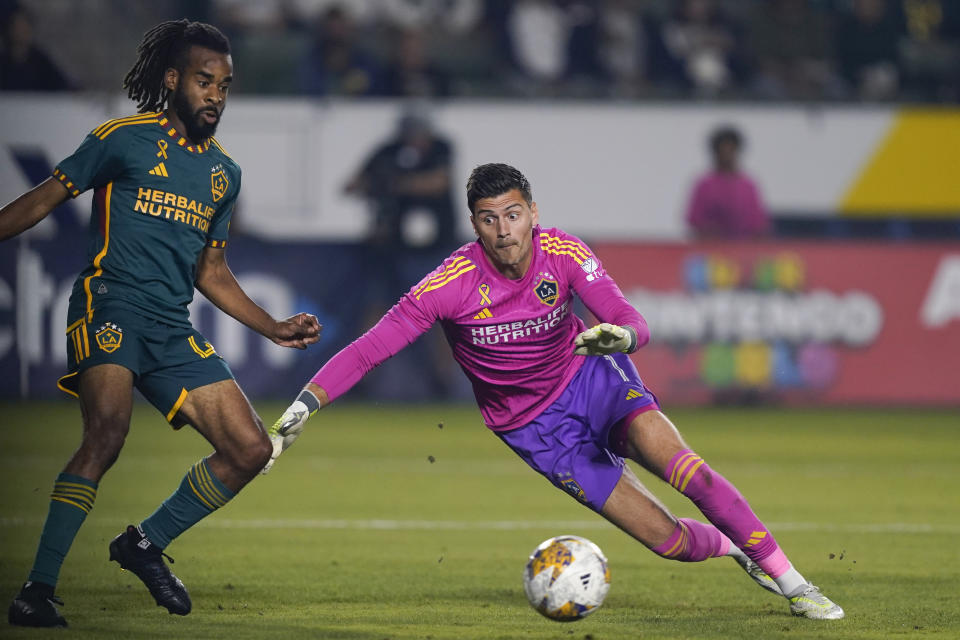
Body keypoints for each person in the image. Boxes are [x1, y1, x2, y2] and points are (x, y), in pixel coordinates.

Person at [263, 163, 844, 620]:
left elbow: (628, 317)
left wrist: (624, 336)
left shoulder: (564, 254)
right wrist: (306, 402)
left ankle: (795, 584)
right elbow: (371, 347)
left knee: (686, 469)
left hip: (593, 383)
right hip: (535, 432)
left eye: (513, 214)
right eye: (489, 219)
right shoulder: (450, 285)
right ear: (475, 226)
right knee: (668, 542)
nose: (503, 230)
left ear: (533, 212)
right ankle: (735, 547)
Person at [1, 20, 320, 628]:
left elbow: (214, 271)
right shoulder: (122, 140)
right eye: (205, 82)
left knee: (251, 448)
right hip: (110, 304)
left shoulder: (224, 174)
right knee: (108, 434)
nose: (216, 97)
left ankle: (143, 544)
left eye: (225, 86)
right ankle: (36, 590)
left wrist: (272, 328)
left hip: (171, 327)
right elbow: (44, 198)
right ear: (173, 80)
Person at [685, 125, 771, 239]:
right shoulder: (704, 185)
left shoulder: (748, 185)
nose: (727, 155)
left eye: (731, 150)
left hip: (743, 250)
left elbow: (759, 226)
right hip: (711, 249)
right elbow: (695, 222)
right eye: (723, 150)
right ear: (715, 152)